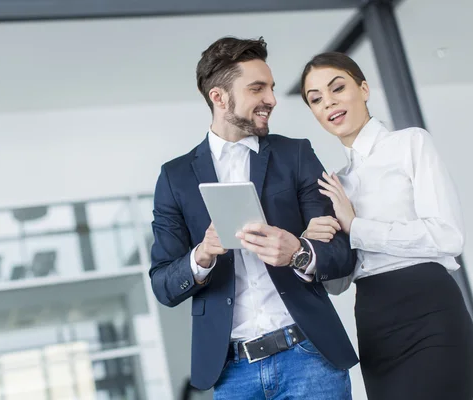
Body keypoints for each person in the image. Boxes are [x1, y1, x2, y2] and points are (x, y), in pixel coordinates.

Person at [149, 36, 358, 400]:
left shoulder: (295, 154)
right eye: (257, 88)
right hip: (232, 373)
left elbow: (343, 253)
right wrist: (202, 256)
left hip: (309, 356)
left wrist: (299, 251)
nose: (272, 100)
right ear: (219, 97)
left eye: (272, 88)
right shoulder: (174, 177)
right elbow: (163, 285)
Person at [300, 51, 473, 400]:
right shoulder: (337, 184)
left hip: (429, 307)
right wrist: (308, 252)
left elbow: (448, 236)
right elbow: (339, 283)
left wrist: (357, 226)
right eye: (315, 99)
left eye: (337, 88)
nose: (328, 103)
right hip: (374, 318)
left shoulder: (411, 143)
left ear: (363, 89)